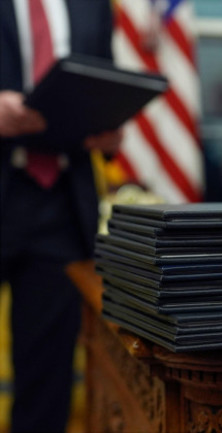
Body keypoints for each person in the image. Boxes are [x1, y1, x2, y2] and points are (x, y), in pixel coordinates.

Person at [0, 1, 122, 431]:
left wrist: (111, 125)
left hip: (62, 205)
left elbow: (105, 80)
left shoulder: (94, 5)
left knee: (47, 386)